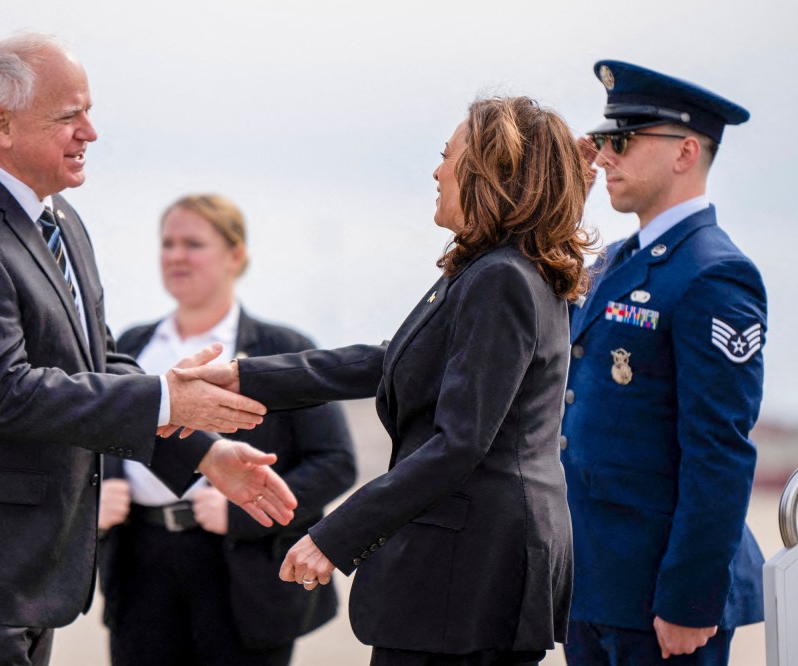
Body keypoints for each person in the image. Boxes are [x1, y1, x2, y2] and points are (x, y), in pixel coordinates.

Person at [0, 33, 297, 666]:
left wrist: (203, 452)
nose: (89, 132)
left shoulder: (59, 220)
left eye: (88, 112)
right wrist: (164, 396)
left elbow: (96, 367)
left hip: (26, 575)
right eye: (69, 116)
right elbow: (3, 394)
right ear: (1, 124)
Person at [173, 97, 595, 665]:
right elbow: (389, 359)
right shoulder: (497, 268)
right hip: (469, 573)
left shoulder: (501, 278)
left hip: (471, 577)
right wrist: (243, 377)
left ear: (490, 173)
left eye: (449, 156)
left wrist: (335, 535)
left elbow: (460, 442)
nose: (437, 171)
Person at [560, 60, 766, 665]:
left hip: (661, 598)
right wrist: (562, 202)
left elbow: (720, 450)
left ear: (685, 153)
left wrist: (690, 600)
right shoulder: (618, 259)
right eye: (601, 141)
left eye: (620, 141)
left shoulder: (714, 273)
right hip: (597, 582)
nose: (603, 158)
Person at [96, 193, 357, 665]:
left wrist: (239, 512)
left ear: (235, 255)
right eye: (167, 243)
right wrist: (95, 496)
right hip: (138, 564)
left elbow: (336, 464)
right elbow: (94, 435)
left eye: (192, 243)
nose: (176, 255)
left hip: (246, 575)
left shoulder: (282, 349)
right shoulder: (129, 346)